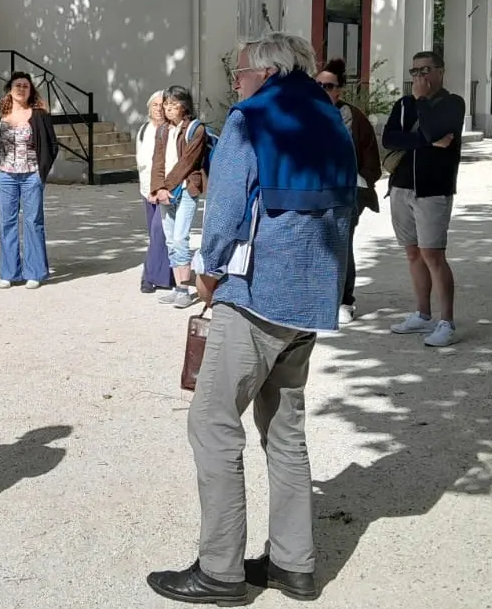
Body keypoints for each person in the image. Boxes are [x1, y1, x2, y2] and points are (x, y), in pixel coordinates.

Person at [148, 33, 355, 604]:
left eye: (238, 72)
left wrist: (209, 271)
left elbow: (227, 211)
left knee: (212, 423)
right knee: (285, 429)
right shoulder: (330, 116)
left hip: (258, 292)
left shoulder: (250, 118)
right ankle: (294, 563)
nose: (234, 82)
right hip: (312, 294)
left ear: (264, 72)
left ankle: (220, 571)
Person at [382, 50, 467, 347]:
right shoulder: (403, 104)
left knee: (433, 255)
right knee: (413, 253)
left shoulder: (453, 103)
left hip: (433, 189)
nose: (419, 77)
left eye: (425, 70)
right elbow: (390, 139)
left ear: (440, 71)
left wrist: (421, 103)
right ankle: (422, 314)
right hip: (401, 186)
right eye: (415, 71)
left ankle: (447, 322)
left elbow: (437, 129)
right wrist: (426, 141)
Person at [316, 59, 382, 324]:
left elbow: (371, 159)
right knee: (316, 242)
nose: (321, 89)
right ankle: (320, 296)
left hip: (349, 191)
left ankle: (345, 300)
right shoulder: (305, 116)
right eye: (317, 84)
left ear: (338, 90)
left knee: (341, 242)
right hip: (314, 190)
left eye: (328, 86)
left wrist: (361, 181)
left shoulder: (353, 118)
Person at [0, 71, 57, 289]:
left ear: (30, 90)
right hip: (5, 174)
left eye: (25, 86)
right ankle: (9, 272)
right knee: (7, 223)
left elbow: (52, 144)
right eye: (17, 85)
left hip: (31, 174)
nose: (21, 89)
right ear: (10, 89)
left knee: (33, 222)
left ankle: (34, 271)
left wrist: (41, 173)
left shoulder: (39, 114)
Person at [150, 86, 208, 309]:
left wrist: (167, 187)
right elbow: (158, 161)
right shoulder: (163, 130)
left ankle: (184, 288)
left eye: (173, 104)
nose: (168, 108)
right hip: (165, 191)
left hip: (185, 189)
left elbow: (187, 162)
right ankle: (177, 286)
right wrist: (158, 188)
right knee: (169, 239)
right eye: (166, 104)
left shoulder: (196, 129)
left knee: (181, 237)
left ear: (184, 106)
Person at [136, 90, 176, 295]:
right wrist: (148, 189)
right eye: (155, 105)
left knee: (161, 231)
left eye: (163, 105)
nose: (159, 109)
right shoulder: (144, 130)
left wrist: (160, 187)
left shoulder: (173, 130)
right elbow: (141, 163)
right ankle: (163, 275)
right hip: (147, 190)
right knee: (155, 234)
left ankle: (149, 276)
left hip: (166, 189)